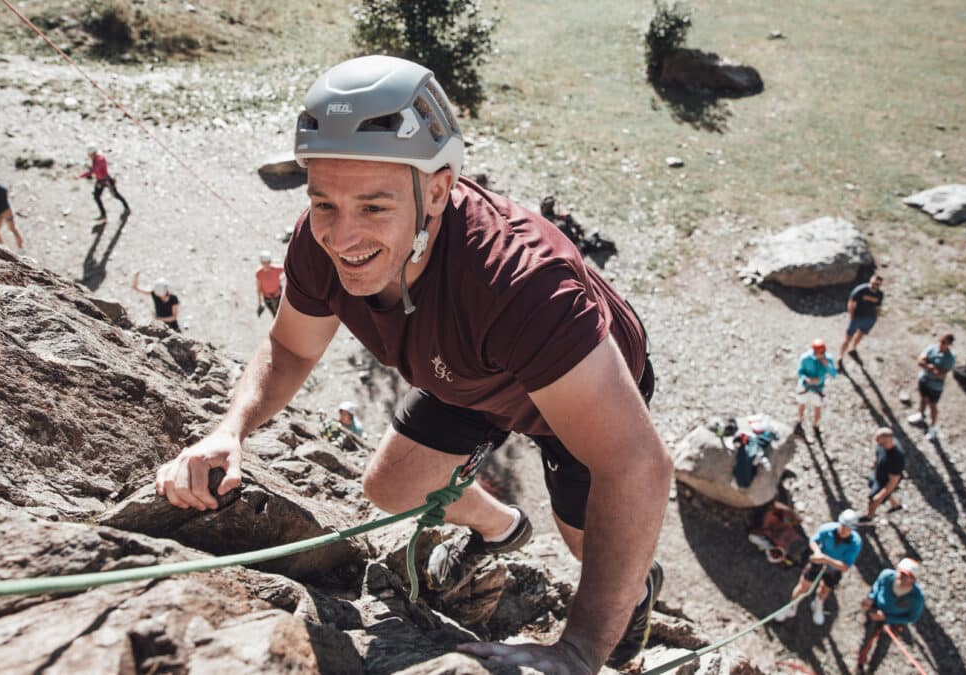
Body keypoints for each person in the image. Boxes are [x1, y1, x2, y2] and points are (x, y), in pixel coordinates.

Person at [153, 55, 673, 674]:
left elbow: (635, 464)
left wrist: (580, 650)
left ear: (439, 188)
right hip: (467, 370)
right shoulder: (319, 243)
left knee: (595, 549)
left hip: (571, 387)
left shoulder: (522, 285)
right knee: (391, 487)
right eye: (325, 204)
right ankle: (503, 530)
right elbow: (291, 347)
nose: (341, 237)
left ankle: (637, 590)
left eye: (373, 207)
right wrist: (229, 429)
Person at [774, 509, 862, 626]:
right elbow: (814, 541)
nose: (844, 530)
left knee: (825, 589)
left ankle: (818, 603)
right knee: (803, 586)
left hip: (834, 568)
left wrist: (825, 559)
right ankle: (791, 606)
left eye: (848, 528)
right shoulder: (827, 529)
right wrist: (817, 552)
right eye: (843, 526)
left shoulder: (855, 543)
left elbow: (845, 566)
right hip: (818, 561)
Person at [857, 558, 925, 672]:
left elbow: (912, 618)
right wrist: (870, 600)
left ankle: (871, 670)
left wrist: (887, 618)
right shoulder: (886, 576)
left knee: (881, 648)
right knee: (866, 640)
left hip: (893, 625)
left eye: (906, 575)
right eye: (901, 573)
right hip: (875, 615)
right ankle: (860, 665)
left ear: (913, 579)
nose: (901, 577)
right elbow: (876, 588)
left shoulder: (917, 598)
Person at [907, 333, 956, 441]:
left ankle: (933, 427)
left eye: (943, 342)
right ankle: (920, 414)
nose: (940, 344)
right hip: (924, 379)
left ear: (949, 344)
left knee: (933, 405)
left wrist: (929, 365)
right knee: (923, 399)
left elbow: (941, 374)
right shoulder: (931, 348)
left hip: (935, 385)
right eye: (940, 340)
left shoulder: (950, 358)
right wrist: (931, 367)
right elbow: (920, 361)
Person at [796, 338, 839, 438]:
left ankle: (815, 425)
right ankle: (800, 421)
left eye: (823, 352)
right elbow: (800, 371)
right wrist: (806, 379)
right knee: (802, 403)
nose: (821, 354)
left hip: (818, 388)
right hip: (805, 386)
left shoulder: (828, 359)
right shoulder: (805, 358)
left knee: (817, 406)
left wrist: (827, 365)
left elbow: (833, 374)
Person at [838, 274, 883, 367]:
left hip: (869, 318)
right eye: (874, 283)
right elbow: (851, 303)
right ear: (870, 281)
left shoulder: (880, 294)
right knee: (848, 338)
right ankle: (840, 357)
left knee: (860, 334)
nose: (875, 285)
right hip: (857, 317)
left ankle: (853, 349)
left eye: (878, 284)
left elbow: (878, 307)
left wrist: (876, 318)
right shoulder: (860, 290)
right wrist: (851, 316)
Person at [862, 427, 905, 523]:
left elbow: (893, 481)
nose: (877, 442)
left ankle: (869, 516)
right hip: (878, 473)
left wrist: (880, 496)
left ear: (887, 440)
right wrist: (874, 463)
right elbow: (878, 454)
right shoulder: (882, 445)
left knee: (873, 499)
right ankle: (895, 506)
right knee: (871, 483)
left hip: (885, 481)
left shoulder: (897, 458)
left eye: (879, 440)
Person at [78, 145, 130, 224]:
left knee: (115, 195)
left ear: (93, 153)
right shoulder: (95, 158)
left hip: (106, 181)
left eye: (89, 154)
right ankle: (103, 215)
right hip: (100, 180)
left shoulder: (100, 159)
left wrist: (81, 176)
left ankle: (126, 207)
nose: (88, 156)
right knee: (96, 196)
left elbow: (94, 170)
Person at [255, 250, 285, 317]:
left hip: (279, 296)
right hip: (268, 298)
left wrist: (281, 279)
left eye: (268, 262)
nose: (266, 264)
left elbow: (288, 269)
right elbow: (259, 288)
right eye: (264, 263)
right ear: (261, 262)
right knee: (275, 315)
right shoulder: (259, 273)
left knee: (281, 314)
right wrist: (260, 303)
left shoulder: (276, 269)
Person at [0, 182, 24, 249]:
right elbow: (6, 192)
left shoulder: (1, 189)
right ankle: (20, 245)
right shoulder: (2, 189)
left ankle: (2, 248)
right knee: (12, 228)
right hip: (6, 210)